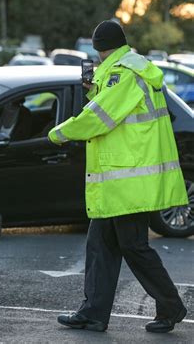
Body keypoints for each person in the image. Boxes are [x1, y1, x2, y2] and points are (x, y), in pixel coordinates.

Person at [48, 20, 188, 333]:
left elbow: (99, 118)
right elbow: (114, 112)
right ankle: (93, 313)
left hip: (129, 181)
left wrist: (59, 133)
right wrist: (94, 90)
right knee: (101, 244)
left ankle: (171, 305)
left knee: (133, 246)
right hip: (121, 180)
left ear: (98, 49)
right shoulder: (126, 70)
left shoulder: (123, 73)